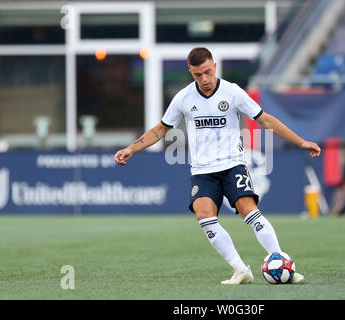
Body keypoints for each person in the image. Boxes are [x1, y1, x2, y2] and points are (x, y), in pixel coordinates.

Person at [114, 47, 321, 285]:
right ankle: (241, 270)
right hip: (202, 170)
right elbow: (160, 130)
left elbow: (265, 120)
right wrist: (131, 148)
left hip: (232, 164)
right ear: (191, 73)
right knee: (204, 216)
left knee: (248, 209)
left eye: (207, 72)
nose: (204, 79)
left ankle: (283, 263)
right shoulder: (183, 98)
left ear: (214, 67)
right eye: (197, 75)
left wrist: (301, 142)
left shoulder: (232, 92)